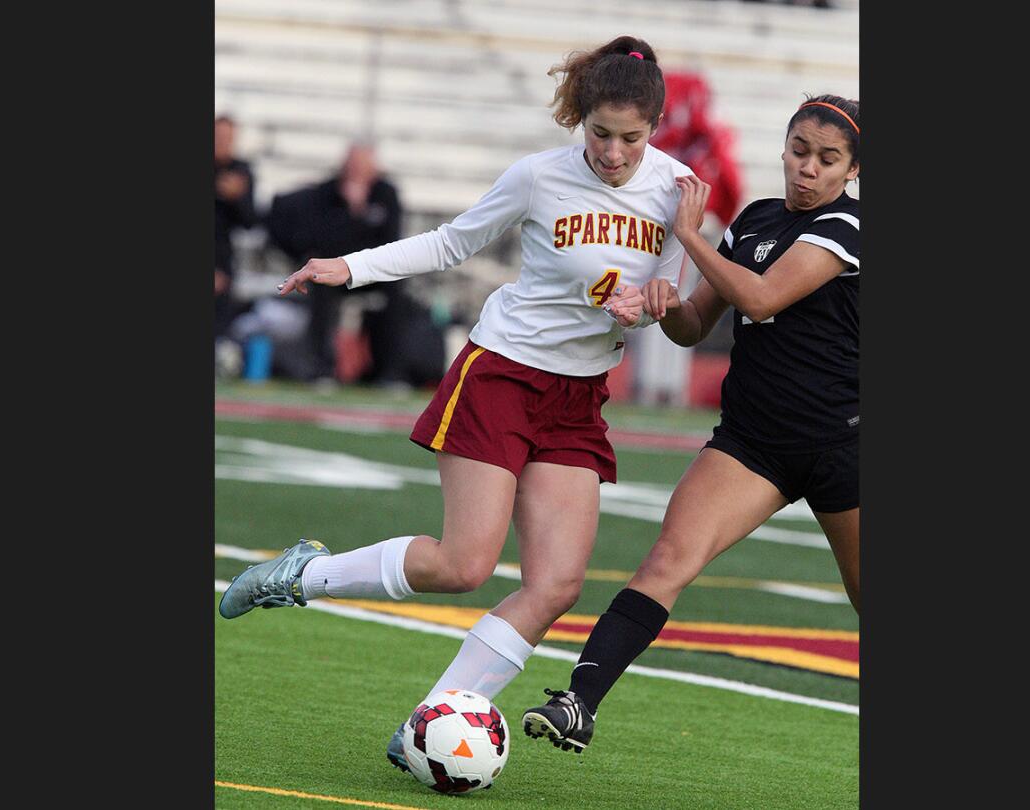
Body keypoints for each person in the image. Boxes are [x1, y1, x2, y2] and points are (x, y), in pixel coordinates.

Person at [217, 36, 696, 774]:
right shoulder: (538, 177)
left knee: (556, 585)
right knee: (464, 563)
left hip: (579, 397)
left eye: (630, 139)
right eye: (600, 133)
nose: (612, 152)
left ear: (655, 127)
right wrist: (350, 267)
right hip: (504, 373)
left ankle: (426, 726)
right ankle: (300, 576)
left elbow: (670, 299)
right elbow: (451, 244)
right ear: (582, 121)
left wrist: (654, 302)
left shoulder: (678, 191)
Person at [521, 94, 860, 754]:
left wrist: (689, 236)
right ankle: (578, 702)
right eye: (798, 152)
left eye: (827, 160)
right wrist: (665, 303)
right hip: (754, 442)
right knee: (666, 561)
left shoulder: (849, 225)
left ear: (851, 171)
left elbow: (761, 297)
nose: (807, 170)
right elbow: (693, 328)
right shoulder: (758, 219)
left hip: (846, 440)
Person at [264, 142, 407, 383]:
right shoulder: (327, 193)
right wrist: (351, 212)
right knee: (318, 285)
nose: (356, 171)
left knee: (396, 291)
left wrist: (359, 211)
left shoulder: (386, 194)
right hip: (338, 271)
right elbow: (323, 241)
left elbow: (390, 241)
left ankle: (389, 372)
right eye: (352, 165)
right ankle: (321, 368)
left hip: (373, 274)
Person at [215, 115, 259, 339]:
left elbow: (250, 221)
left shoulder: (240, 171)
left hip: (222, 258)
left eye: (227, 138)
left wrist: (237, 197)